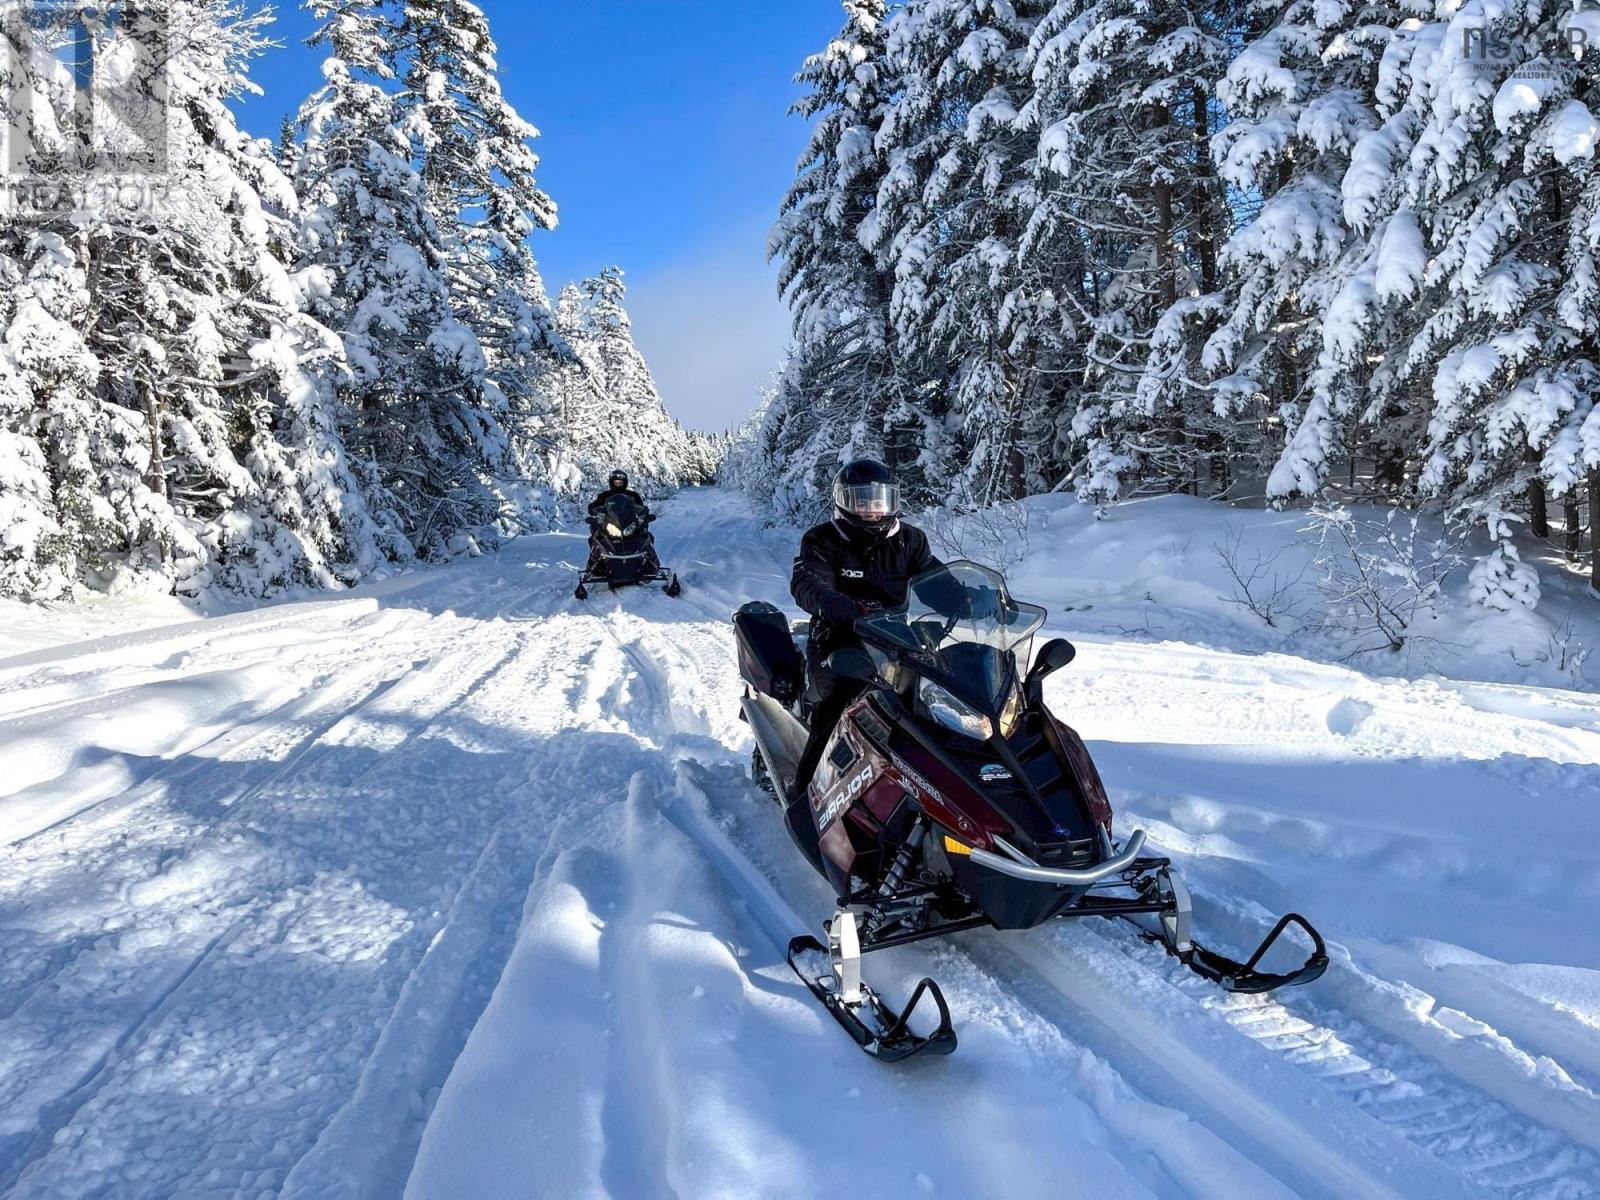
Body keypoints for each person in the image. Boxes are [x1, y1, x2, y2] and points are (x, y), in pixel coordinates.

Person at [787, 458, 941, 864]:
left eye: (880, 500)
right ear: (843, 502)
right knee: (838, 706)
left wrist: (970, 600)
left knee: (938, 706)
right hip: (841, 639)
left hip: (899, 642)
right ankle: (805, 800)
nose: (872, 509)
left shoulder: (910, 540)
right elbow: (807, 583)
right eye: (862, 500)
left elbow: (936, 580)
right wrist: (843, 607)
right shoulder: (822, 539)